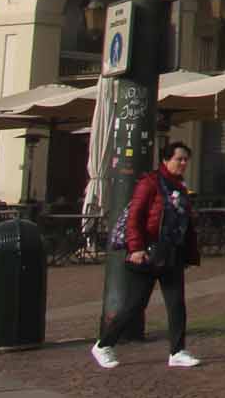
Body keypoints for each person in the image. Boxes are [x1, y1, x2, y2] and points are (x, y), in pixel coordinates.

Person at [91, 141, 201, 370]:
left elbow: (184, 222)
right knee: (134, 305)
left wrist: (188, 253)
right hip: (148, 252)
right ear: (165, 159)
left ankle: (177, 351)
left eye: (185, 159)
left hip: (172, 254)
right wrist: (136, 248)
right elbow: (135, 217)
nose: (183, 163)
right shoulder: (150, 182)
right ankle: (103, 345)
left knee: (176, 304)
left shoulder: (180, 187)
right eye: (178, 159)